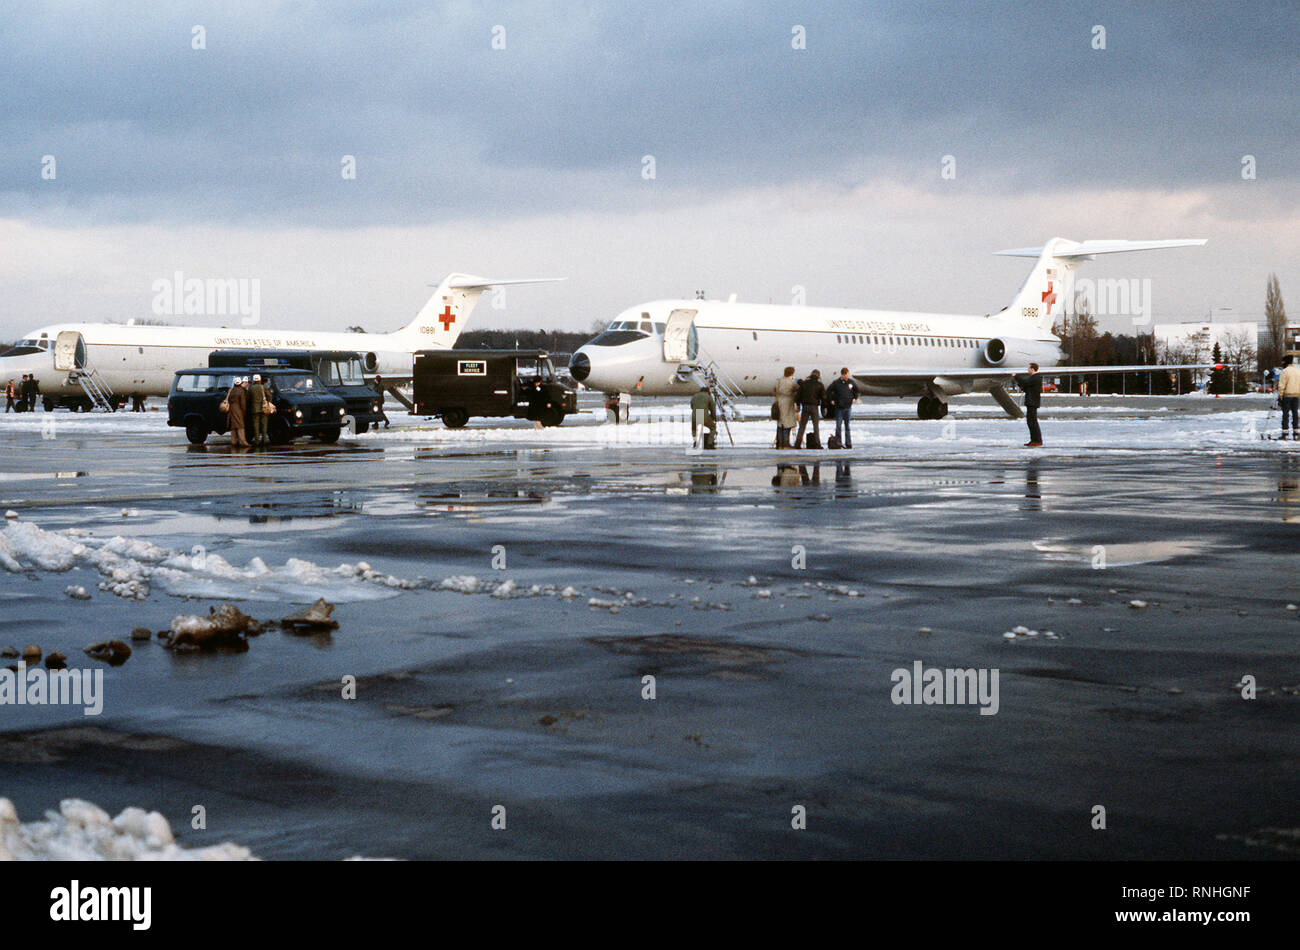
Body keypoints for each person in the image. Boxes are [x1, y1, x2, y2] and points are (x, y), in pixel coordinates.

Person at [827, 367, 859, 449]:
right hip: (839, 408)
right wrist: (831, 400)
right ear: (842, 374)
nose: (846, 376)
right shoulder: (836, 383)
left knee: (847, 426)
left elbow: (856, 390)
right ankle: (838, 442)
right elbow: (828, 390)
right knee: (838, 426)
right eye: (845, 375)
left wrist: (854, 398)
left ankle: (848, 443)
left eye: (847, 375)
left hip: (848, 407)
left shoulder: (851, 382)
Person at [794, 369, 825, 448]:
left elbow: (798, 396)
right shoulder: (819, 384)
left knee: (802, 426)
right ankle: (817, 444)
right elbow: (823, 397)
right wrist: (823, 407)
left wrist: (798, 405)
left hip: (805, 406)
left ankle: (797, 443)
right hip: (814, 407)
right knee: (816, 426)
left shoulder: (804, 384)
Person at [1014, 362, 1043, 447]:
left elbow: (1025, 382)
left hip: (1032, 402)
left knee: (1032, 422)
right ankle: (1034, 440)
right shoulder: (1034, 378)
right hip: (1032, 402)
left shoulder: (1035, 378)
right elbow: (1026, 387)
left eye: (1029, 368)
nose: (1028, 370)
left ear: (1033, 369)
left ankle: (1037, 440)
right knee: (1031, 421)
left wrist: (1016, 376)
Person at [773, 366, 798, 449]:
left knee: (780, 423)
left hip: (779, 401)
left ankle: (779, 443)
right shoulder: (791, 381)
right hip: (788, 402)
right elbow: (797, 388)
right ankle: (786, 443)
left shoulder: (779, 380)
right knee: (787, 424)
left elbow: (775, 389)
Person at [1279, 356, 1300, 440]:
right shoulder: (1297, 371)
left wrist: (1280, 395)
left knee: (1285, 414)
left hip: (1287, 395)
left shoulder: (1285, 371)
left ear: (1285, 362)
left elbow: (1282, 385)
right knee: (1295, 414)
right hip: (1296, 395)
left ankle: (1285, 433)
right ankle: (1296, 432)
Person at [689, 385, 717, 450]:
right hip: (703, 414)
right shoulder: (708, 396)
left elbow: (692, 406)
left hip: (694, 415)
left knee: (694, 429)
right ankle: (709, 443)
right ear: (707, 392)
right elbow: (713, 408)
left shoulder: (695, 396)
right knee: (713, 427)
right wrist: (713, 417)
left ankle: (695, 442)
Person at [226, 377, 250, 447]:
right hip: (238, 410)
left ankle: (234, 441)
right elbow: (243, 403)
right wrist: (244, 411)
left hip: (231, 409)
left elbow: (229, 400)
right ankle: (242, 441)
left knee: (233, 426)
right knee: (240, 425)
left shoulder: (231, 390)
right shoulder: (241, 391)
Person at [247, 374, 270, 446]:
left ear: (254, 380)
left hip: (255, 409)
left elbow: (248, 398)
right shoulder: (263, 387)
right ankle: (264, 440)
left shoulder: (251, 388)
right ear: (260, 380)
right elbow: (269, 396)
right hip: (264, 408)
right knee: (264, 424)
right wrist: (268, 403)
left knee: (256, 425)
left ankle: (257, 440)